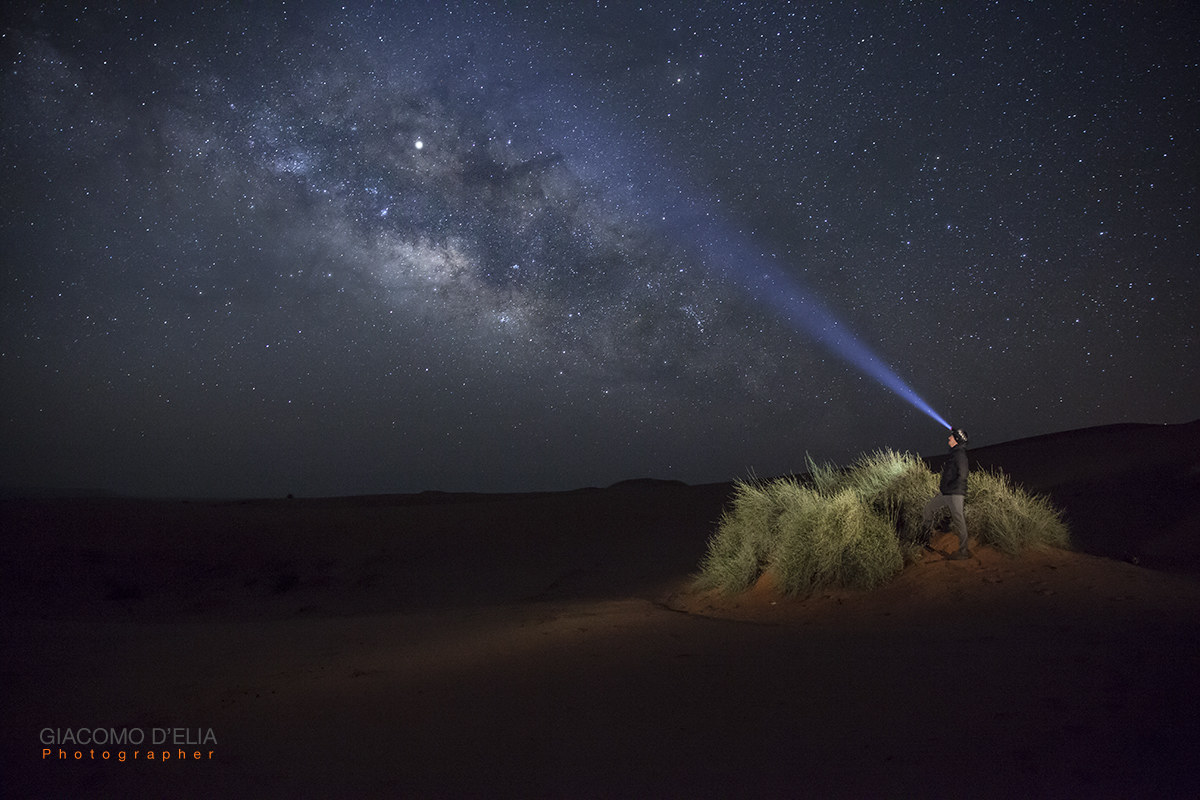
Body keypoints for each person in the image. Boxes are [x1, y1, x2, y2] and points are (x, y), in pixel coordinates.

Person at [923, 427, 971, 559]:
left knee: (959, 520)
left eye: (951, 437)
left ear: (956, 440)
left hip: (955, 494)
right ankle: (924, 540)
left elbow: (963, 474)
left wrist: (951, 486)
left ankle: (963, 552)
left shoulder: (960, 454)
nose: (948, 438)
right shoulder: (955, 453)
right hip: (946, 493)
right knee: (928, 509)